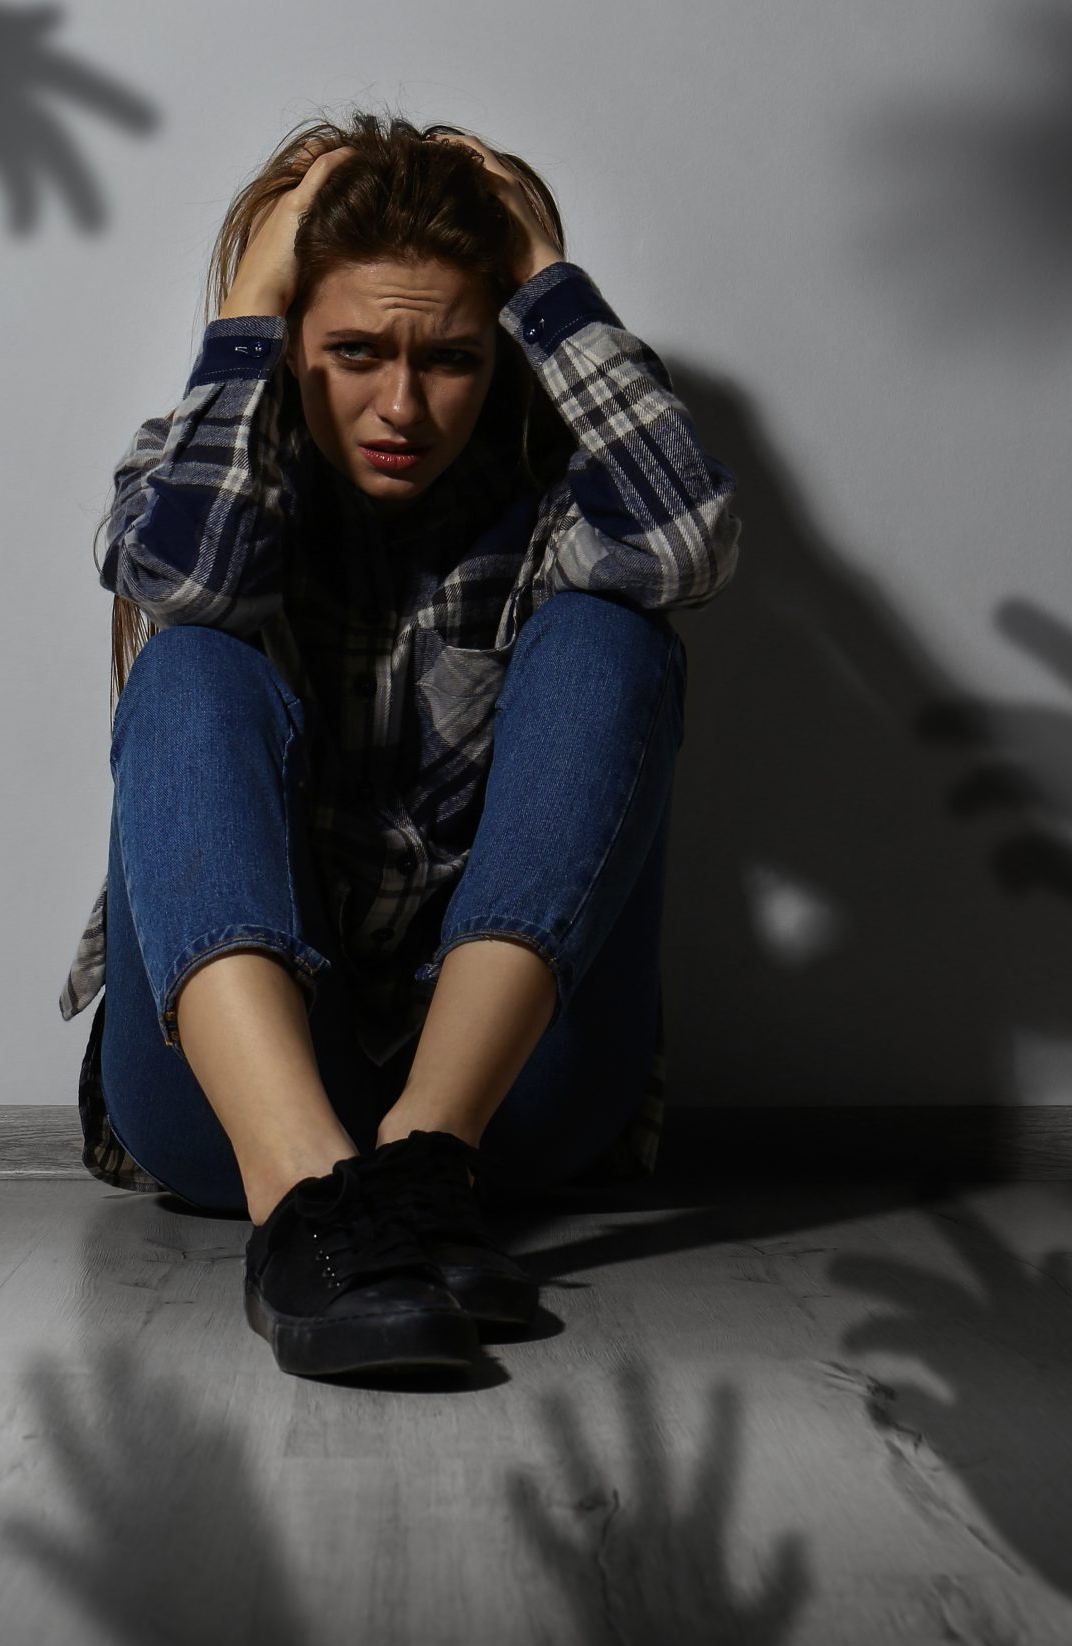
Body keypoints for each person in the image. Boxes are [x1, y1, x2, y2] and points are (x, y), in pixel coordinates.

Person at [54, 112, 740, 1378]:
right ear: (290, 342)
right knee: (193, 650)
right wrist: (253, 300)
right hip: (223, 1119)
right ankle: (312, 1203)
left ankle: (420, 1163)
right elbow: (178, 573)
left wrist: (542, 272)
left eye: (453, 360)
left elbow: (688, 543)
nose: (402, 407)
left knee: (616, 636)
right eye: (354, 351)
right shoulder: (194, 467)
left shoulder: (552, 507)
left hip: (501, 1108)